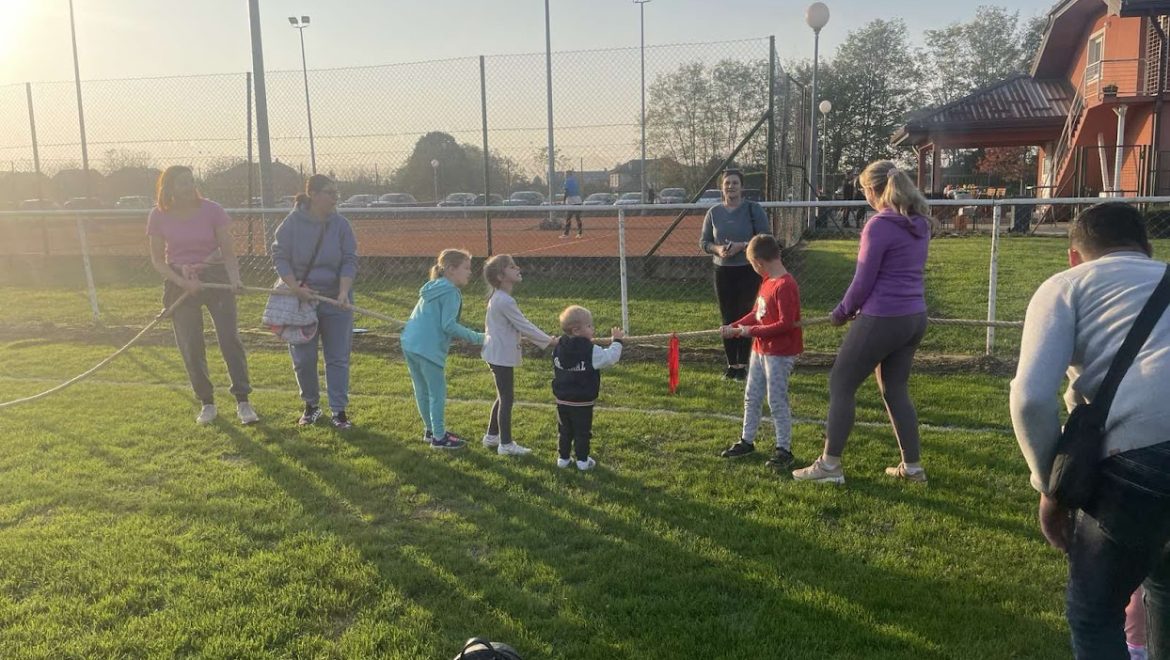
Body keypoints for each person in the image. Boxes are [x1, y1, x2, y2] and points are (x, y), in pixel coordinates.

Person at [1009, 201, 1170, 659]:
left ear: (1074, 255)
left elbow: (1030, 397)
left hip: (1138, 458)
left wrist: (1049, 486)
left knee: (1096, 615)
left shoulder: (1067, 286)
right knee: (1164, 585)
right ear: (1149, 247)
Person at [792, 160, 932, 484]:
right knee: (895, 389)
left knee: (841, 383)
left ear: (872, 190)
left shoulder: (879, 224)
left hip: (884, 318)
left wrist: (841, 312)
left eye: (864, 190)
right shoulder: (919, 221)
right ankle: (912, 469)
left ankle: (829, 466)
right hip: (914, 318)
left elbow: (863, 280)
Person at [147, 165, 258, 426]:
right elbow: (157, 260)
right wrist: (182, 281)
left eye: (191, 181)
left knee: (229, 339)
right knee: (190, 344)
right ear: (169, 187)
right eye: (183, 183)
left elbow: (227, 251)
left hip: (215, 277)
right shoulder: (158, 216)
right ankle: (207, 402)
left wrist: (234, 279)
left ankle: (243, 401)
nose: (189, 187)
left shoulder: (212, 210)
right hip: (179, 282)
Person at [272, 174, 359, 429]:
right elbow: (279, 257)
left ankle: (339, 411)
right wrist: (294, 287)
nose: (335, 198)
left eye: (336, 193)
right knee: (304, 357)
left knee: (338, 356)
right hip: (302, 299)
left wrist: (343, 292)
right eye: (330, 193)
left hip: (336, 300)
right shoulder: (291, 224)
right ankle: (311, 405)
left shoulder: (341, 225)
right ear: (313, 194)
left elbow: (349, 259)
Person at [717, 234, 804, 470]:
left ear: (758, 262)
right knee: (751, 395)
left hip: (779, 353)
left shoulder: (785, 285)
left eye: (753, 265)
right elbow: (757, 313)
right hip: (759, 350)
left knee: (776, 400)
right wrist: (735, 326)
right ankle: (747, 441)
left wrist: (748, 331)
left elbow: (786, 324)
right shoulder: (767, 281)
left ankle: (783, 449)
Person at [401, 249, 485, 450]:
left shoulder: (434, 287)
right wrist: (479, 337)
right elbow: (448, 325)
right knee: (437, 393)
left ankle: (431, 431)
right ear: (450, 270)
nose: (469, 272)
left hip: (410, 343)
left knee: (421, 390)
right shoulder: (451, 292)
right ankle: (439, 437)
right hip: (427, 349)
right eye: (465, 268)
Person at [481, 254, 558, 456]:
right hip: (499, 355)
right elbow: (524, 325)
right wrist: (549, 341)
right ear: (500, 276)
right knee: (507, 397)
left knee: (502, 395)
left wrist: (545, 339)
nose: (518, 268)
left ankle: (491, 436)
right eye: (512, 267)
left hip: (495, 353)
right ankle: (505, 444)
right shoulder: (504, 300)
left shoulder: (500, 298)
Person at [699, 168, 771, 380]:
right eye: (727, 183)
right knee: (728, 317)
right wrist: (718, 250)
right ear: (722, 187)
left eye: (735, 183)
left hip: (749, 270)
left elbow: (765, 237)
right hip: (723, 270)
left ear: (742, 187)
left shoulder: (753, 209)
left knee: (747, 315)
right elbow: (704, 242)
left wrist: (743, 246)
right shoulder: (713, 212)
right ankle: (732, 365)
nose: (731, 186)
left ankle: (745, 364)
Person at [551, 305, 624, 471]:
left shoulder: (559, 346)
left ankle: (563, 459)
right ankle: (583, 461)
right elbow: (610, 357)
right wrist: (617, 341)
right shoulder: (591, 350)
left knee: (565, 430)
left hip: (562, 400)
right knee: (582, 432)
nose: (593, 328)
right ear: (576, 330)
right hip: (582, 402)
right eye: (589, 326)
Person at [560, 170, 583, 239]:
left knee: (568, 218)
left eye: (565, 174)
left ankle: (566, 234)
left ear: (567, 174)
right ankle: (580, 233)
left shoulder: (567, 181)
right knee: (577, 218)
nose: (565, 175)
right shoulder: (575, 181)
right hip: (578, 200)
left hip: (571, 201)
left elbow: (566, 191)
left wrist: (563, 200)